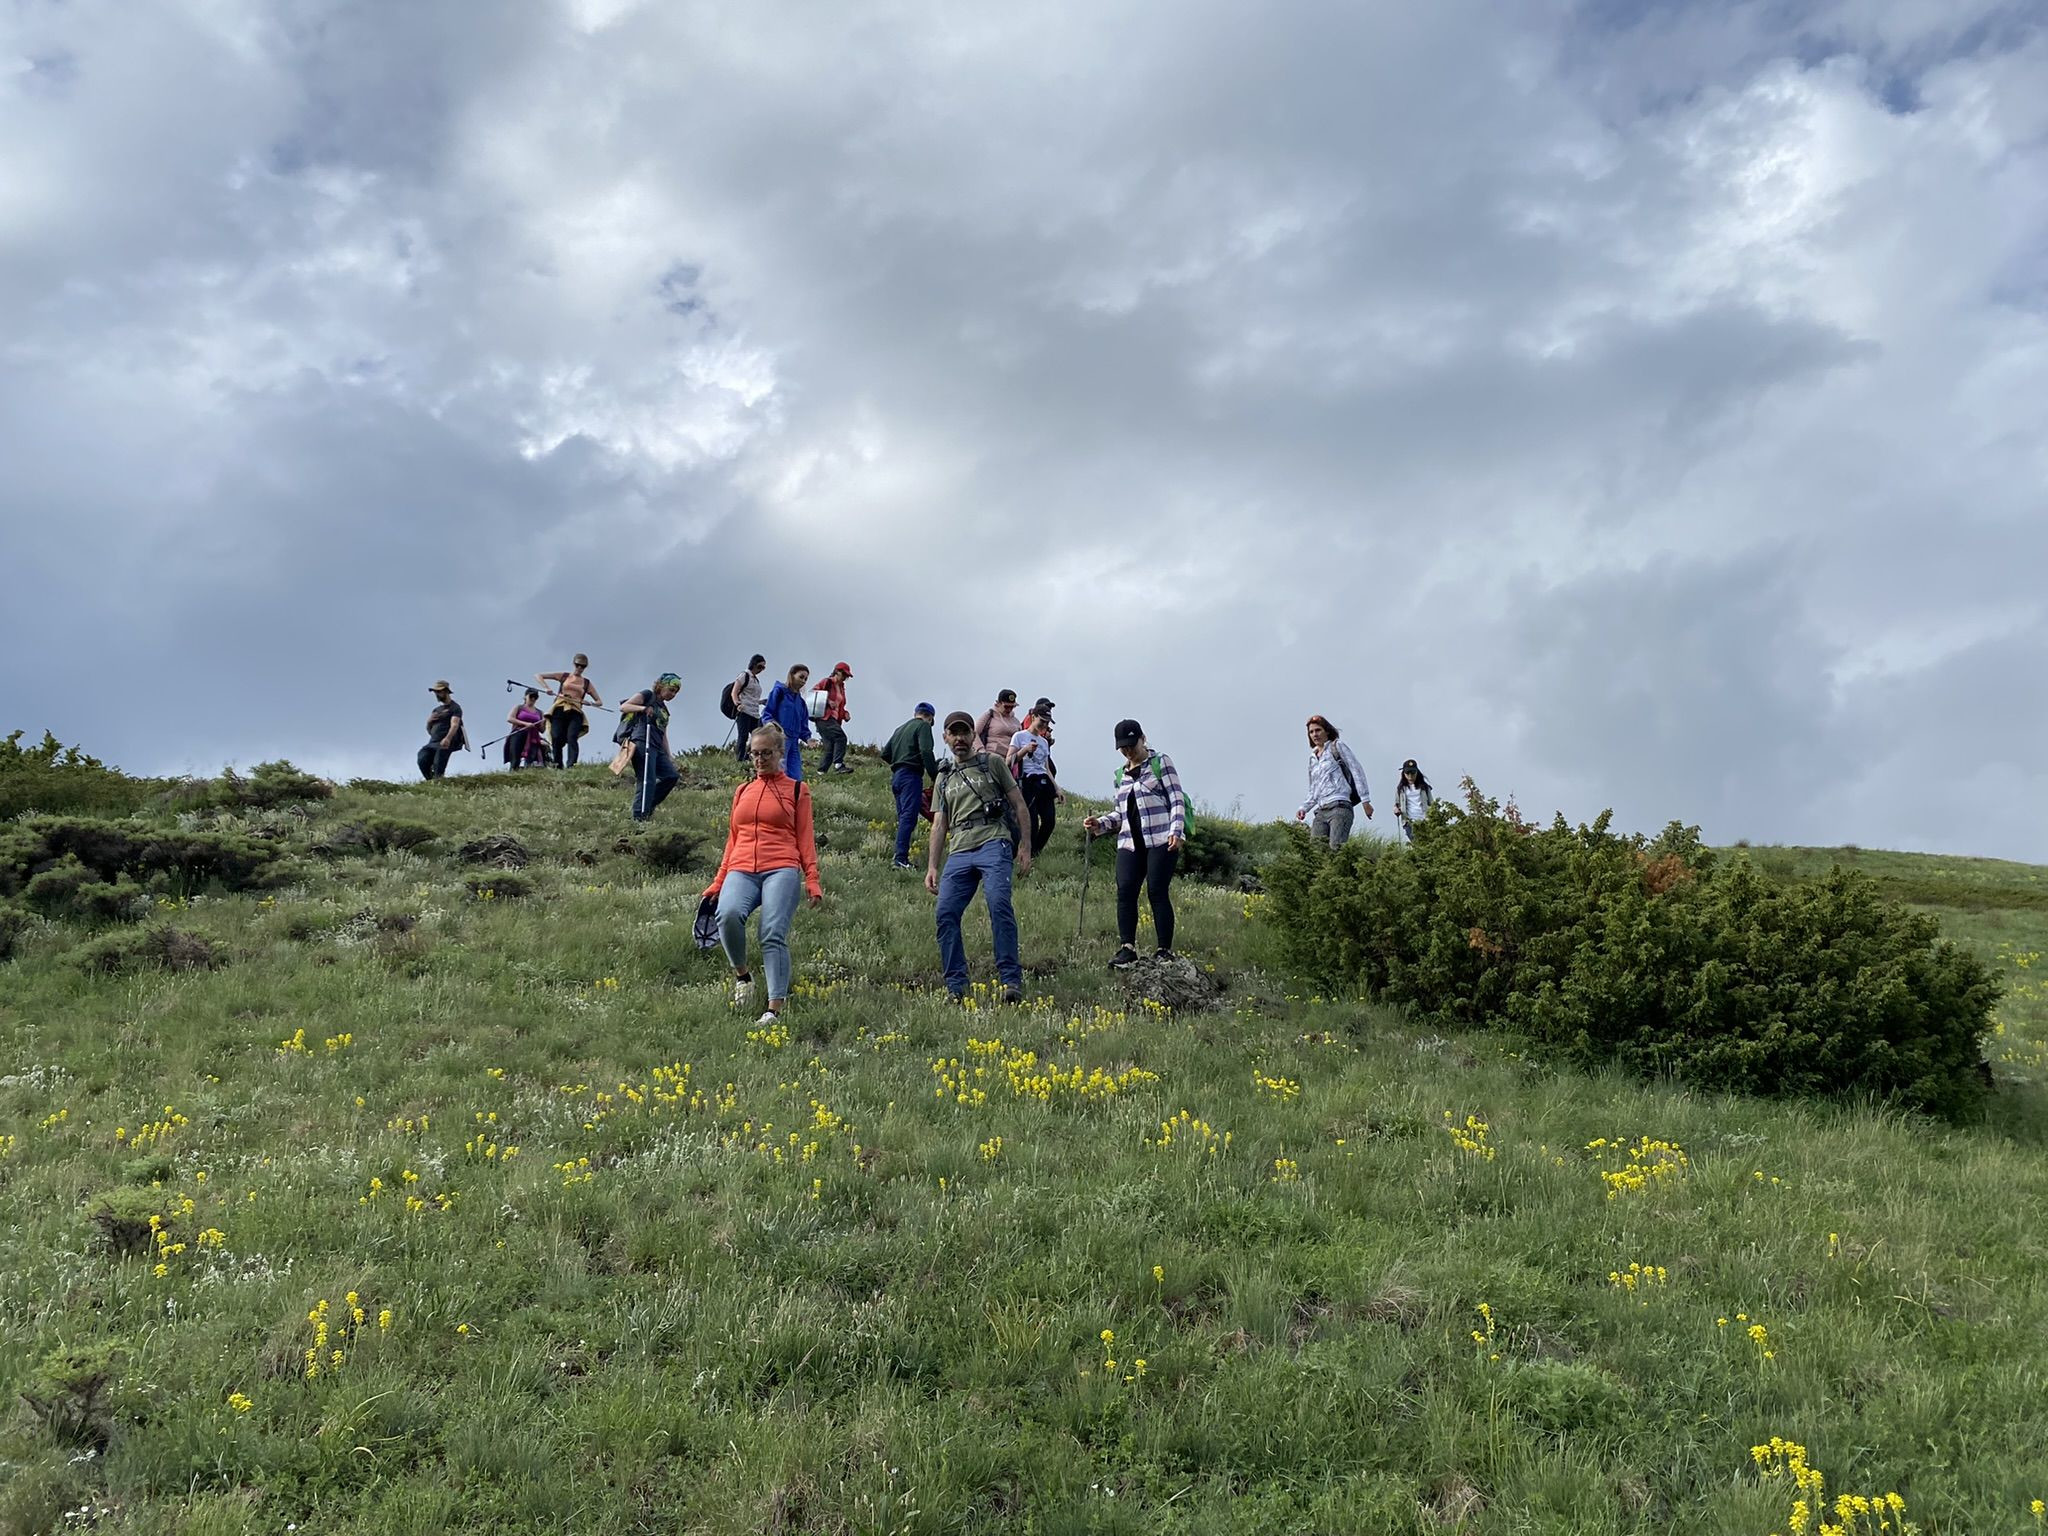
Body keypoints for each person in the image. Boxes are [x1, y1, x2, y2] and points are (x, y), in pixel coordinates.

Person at [704, 721, 823, 1025]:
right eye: (754, 754)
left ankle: (774, 1008)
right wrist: (718, 881)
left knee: (771, 933)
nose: (759, 760)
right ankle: (743, 977)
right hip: (741, 866)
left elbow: (805, 839)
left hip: (781, 866)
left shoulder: (798, 790)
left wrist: (812, 879)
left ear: (780, 752)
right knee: (727, 915)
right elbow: (733, 838)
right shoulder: (743, 790)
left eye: (765, 753)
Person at [928, 710, 1033, 1004]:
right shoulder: (944, 777)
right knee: (945, 913)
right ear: (945, 738)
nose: (960, 739)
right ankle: (955, 986)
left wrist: (1025, 846)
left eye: (964, 733)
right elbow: (939, 823)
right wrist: (932, 865)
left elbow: (1019, 805)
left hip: (994, 841)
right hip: (959, 848)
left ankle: (1011, 980)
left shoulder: (992, 763)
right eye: (954, 733)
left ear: (974, 735)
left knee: (999, 903)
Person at [1082, 719, 1186, 967]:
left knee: (1157, 890)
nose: (1128, 750)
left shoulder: (1161, 763)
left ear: (1143, 739)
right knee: (1125, 890)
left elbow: (1176, 799)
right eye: (1123, 747)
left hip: (1161, 838)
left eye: (1132, 744)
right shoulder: (1120, 776)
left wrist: (1177, 831)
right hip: (1130, 842)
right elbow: (1120, 814)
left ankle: (1164, 950)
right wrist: (1100, 824)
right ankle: (1127, 948)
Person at [1295, 714, 1373, 849]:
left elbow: (1356, 770)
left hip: (1340, 805)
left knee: (1336, 848)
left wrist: (1365, 801)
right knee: (1316, 852)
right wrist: (1303, 808)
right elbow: (1314, 789)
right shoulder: (1312, 758)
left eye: (1318, 730)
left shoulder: (1336, 746)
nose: (1315, 734)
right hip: (1321, 810)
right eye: (1311, 732)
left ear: (1327, 731)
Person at [882, 703, 939, 870]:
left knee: (903, 818)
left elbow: (885, 753)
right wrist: (934, 775)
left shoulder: (900, 729)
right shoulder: (923, 727)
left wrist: (898, 762)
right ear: (930, 717)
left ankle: (899, 856)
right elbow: (926, 751)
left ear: (916, 713)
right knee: (909, 817)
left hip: (897, 776)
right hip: (911, 776)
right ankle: (900, 859)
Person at [618, 673, 682, 821]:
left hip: (657, 746)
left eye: (675, 692)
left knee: (671, 776)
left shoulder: (665, 711)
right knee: (647, 779)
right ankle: (639, 816)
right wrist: (643, 708)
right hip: (642, 741)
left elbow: (663, 734)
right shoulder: (647, 695)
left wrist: (668, 755)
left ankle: (648, 805)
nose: (673, 694)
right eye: (671, 689)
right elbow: (624, 707)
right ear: (661, 685)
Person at [1006, 700, 1062, 857]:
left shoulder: (1044, 742)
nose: (1044, 725)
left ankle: (1035, 852)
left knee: (1049, 821)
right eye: (1042, 721)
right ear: (1033, 717)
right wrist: (1024, 750)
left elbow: (1046, 767)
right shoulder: (1019, 736)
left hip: (1044, 783)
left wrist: (1057, 788)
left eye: (1047, 722)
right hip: (1027, 783)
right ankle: (1026, 855)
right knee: (1032, 824)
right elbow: (1008, 761)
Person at [536, 654, 603, 769]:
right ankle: (558, 765)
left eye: (583, 666)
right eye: (578, 665)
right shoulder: (564, 676)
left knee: (572, 737)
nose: (580, 668)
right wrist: (546, 688)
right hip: (560, 708)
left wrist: (590, 703)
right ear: (574, 664)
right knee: (556, 736)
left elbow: (599, 702)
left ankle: (571, 764)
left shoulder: (586, 683)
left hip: (575, 711)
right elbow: (538, 675)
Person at [759, 665, 814, 781]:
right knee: (779, 773)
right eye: (801, 677)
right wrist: (770, 724)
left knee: (795, 777)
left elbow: (803, 726)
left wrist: (808, 739)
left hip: (794, 743)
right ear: (792, 675)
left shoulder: (801, 703)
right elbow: (768, 712)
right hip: (779, 739)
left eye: (806, 679)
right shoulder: (779, 692)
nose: (803, 681)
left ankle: (792, 798)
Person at [418, 681, 465, 780]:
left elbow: (455, 724)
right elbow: (429, 730)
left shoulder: (455, 708)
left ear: (446, 692)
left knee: (438, 763)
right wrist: (429, 722)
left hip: (447, 741)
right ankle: (431, 781)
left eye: (438, 692)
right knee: (422, 758)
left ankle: (438, 780)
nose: (436, 694)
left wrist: (447, 738)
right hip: (433, 741)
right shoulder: (436, 710)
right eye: (435, 692)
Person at [812, 662, 854, 774]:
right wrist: (827, 701)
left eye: (847, 676)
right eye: (843, 674)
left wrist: (845, 713)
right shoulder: (827, 682)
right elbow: (814, 693)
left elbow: (840, 706)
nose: (845, 678)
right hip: (824, 718)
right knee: (841, 738)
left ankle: (821, 772)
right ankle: (838, 765)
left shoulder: (841, 688)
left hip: (833, 719)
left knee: (830, 746)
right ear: (836, 671)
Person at [728, 654, 767, 765]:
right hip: (744, 710)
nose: (761, 670)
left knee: (758, 735)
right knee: (743, 735)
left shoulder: (756, 680)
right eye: (760, 666)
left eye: (763, 668)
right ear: (753, 664)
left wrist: (761, 702)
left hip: (754, 712)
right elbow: (734, 692)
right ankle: (740, 759)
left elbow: (753, 698)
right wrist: (737, 703)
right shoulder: (744, 675)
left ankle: (747, 756)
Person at [503, 689, 549, 770]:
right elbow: (510, 718)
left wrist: (545, 721)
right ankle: (513, 771)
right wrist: (525, 724)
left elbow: (542, 730)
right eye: (531, 696)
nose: (533, 699)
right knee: (515, 756)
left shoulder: (540, 712)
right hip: (518, 733)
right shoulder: (519, 707)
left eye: (535, 697)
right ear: (525, 697)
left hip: (533, 736)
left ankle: (528, 772)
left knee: (530, 757)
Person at [974, 689, 1022, 759]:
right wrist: (980, 749)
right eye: (1006, 706)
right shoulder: (989, 715)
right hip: (992, 757)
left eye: (1012, 707)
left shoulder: (1016, 721)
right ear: (998, 703)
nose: (1009, 709)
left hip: (1010, 760)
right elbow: (974, 733)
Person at [1394, 758, 1435, 843]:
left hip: (1425, 820)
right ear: (1404, 773)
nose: (1410, 776)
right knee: (1417, 844)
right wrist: (1396, 809)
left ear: (1417, 772)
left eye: (1413, 773)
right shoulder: (1401, 789)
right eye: (1407, 773)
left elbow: (1432, 803)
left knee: (1427, 843)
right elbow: (1397, 804)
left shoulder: (1424, 787)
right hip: (1409, 822)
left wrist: (1433, 817)